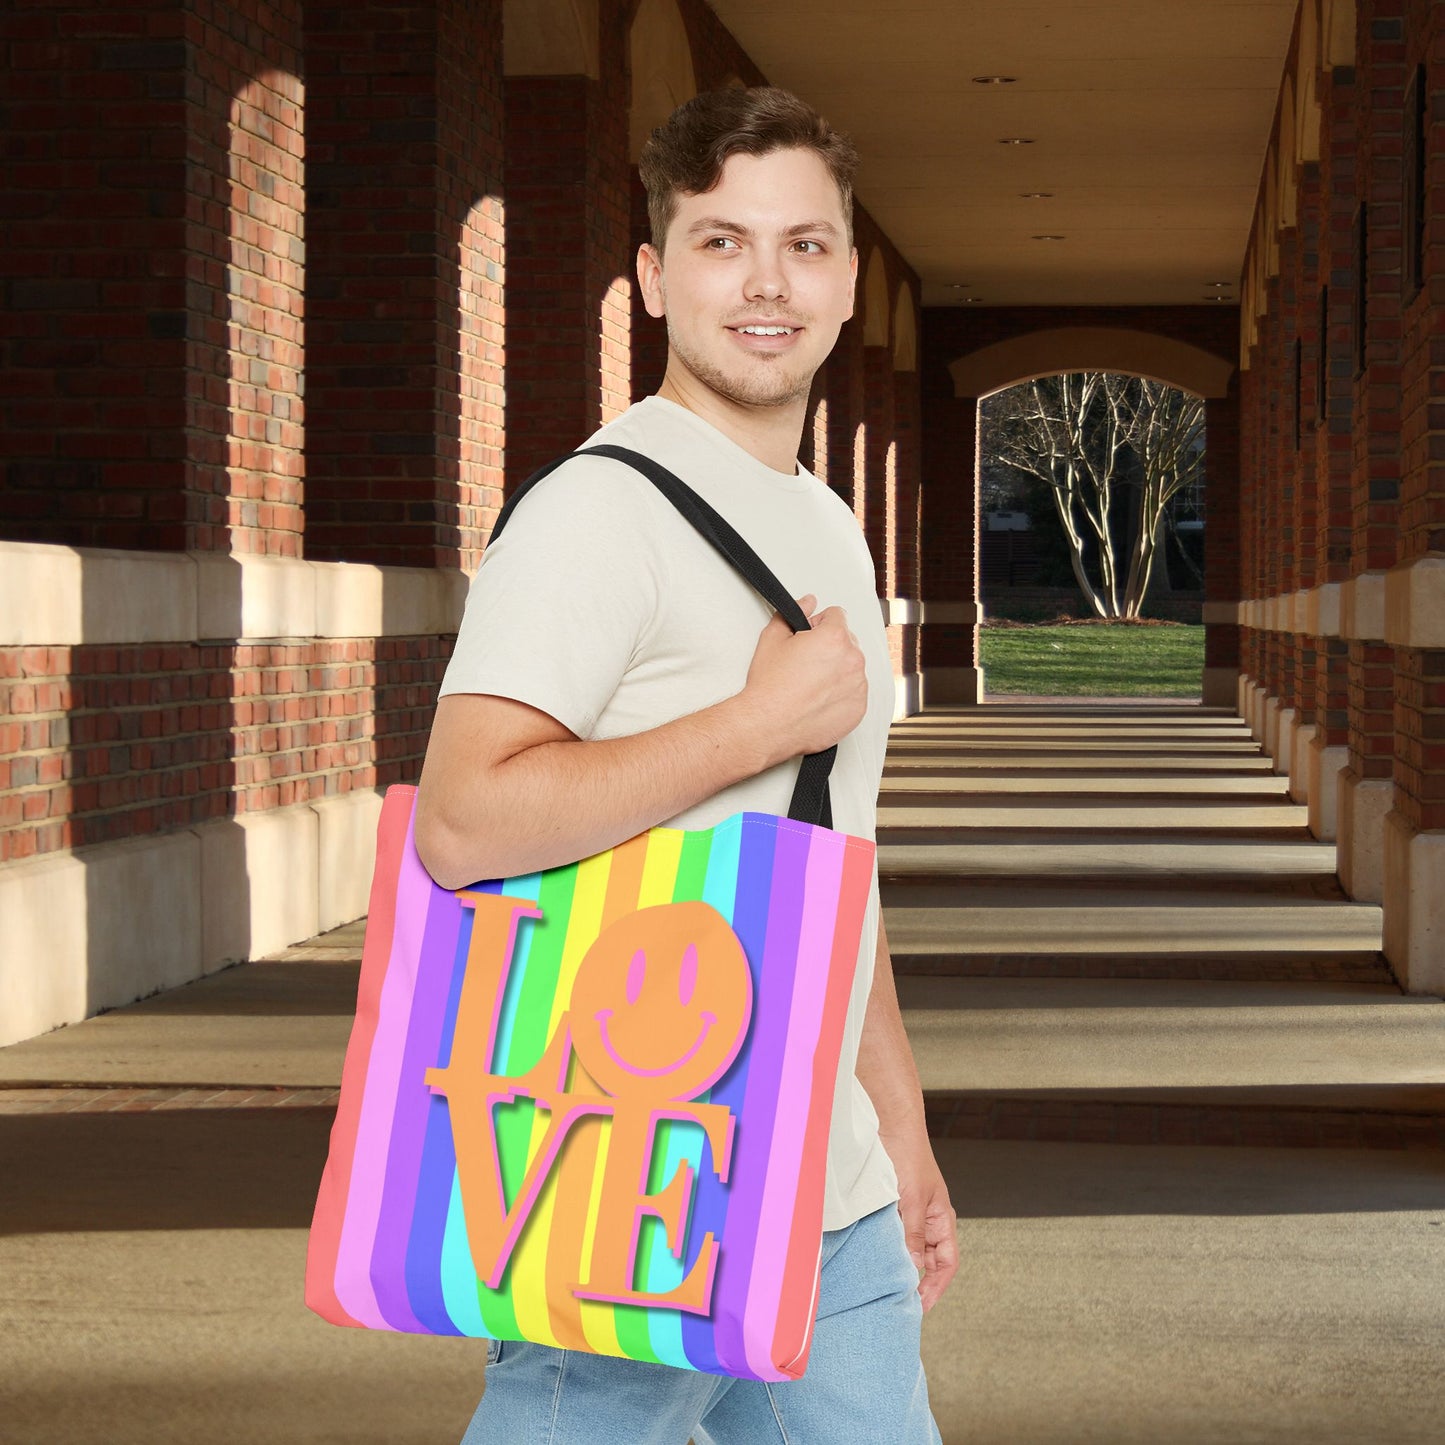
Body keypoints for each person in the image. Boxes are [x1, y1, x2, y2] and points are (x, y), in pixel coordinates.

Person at [414, 84, 956, 1445]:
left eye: (803, 245)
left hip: (826, 1196)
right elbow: (463, 820)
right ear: (655, 278)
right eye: (721, 243)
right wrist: (751, 724)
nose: (764, 282)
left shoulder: (824, 524)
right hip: (644, 1170)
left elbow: (834, 857)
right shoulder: (596, 511)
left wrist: (897, 1130)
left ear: (840, 283)